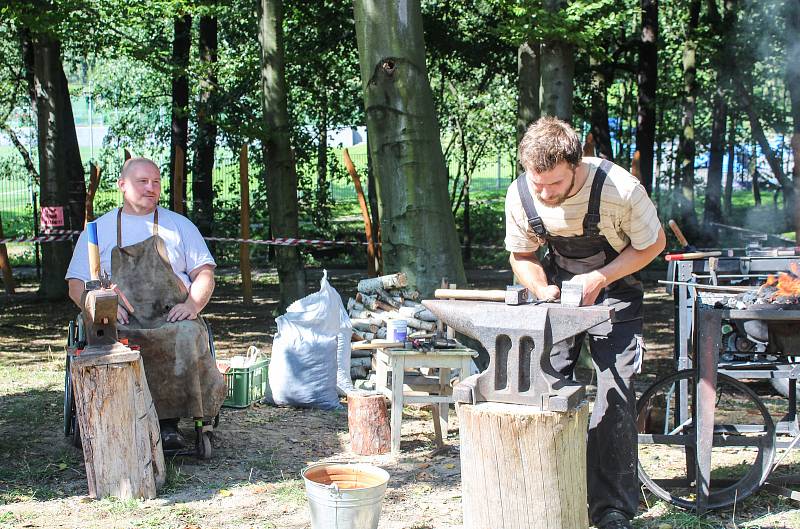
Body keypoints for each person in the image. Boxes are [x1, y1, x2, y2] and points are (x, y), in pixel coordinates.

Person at [505, 117, 666, 529]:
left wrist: (600, 278)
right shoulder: (522, 193)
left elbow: (653, 244)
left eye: (553, 184)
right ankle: (547, 490)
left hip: (616, 288)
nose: (543, 192)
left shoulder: (620, 190)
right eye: (536, 183)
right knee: (545, 385)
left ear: (576, 164)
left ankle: (611, 508)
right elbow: (522, 256)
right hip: (557, 290)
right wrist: (542, 290)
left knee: (614, 394)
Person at [66, 157, 226, 450]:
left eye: (156, 182)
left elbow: (204, 273)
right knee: (104, 339)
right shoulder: (98, 230)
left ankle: (168, 425)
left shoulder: (179, 226)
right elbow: (76, 286)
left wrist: (192, 305)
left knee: (187, 334)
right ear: (122, 185)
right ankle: (108, 419)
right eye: (143, 182)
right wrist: (101, 307)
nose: (151, 188)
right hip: (117, 318)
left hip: (169, 315)